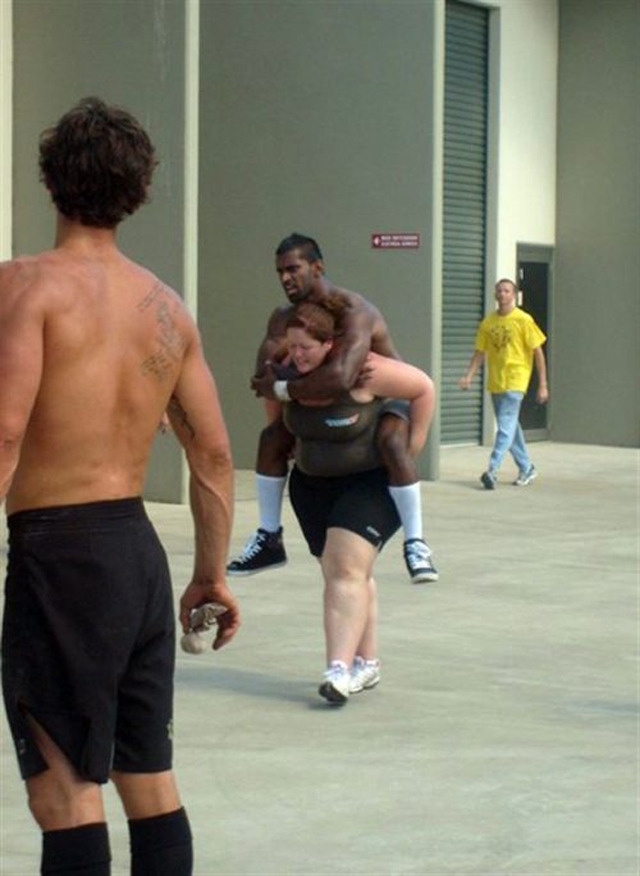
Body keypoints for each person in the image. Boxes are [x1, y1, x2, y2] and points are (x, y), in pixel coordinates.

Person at [0, 98, 240, 876]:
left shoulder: (24, 287)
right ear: (136, 192)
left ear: (50, 179)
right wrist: (211, 574)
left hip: (60, 559)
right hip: (138, 561)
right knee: (150, 783)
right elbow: (213, 454)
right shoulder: (165, 308)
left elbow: (4, 432)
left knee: (64, 794)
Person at [226, 233, 438, 584]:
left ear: (317, 267)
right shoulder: (283, 318)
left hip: (384, 396)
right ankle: (269, 537)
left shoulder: (354, 311)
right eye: (279, 271)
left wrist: (286, 381)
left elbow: (341, 377)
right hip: (326, 406)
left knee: (391, 441)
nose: (285, 278)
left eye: (293, 269)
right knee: (273, 437)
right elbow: (263, 376)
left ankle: (416, 542)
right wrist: (286, 404)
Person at [277, 299, 435, 703]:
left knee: (346, 570)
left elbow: (423, 388)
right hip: (312, 486)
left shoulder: (364, 371)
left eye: (305, 348)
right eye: (291, 347)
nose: (297, 355)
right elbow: (273, 410)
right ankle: (367, 663)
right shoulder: (286, 373)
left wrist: (411, 450)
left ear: (329, 345)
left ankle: (338, 670)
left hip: (370, 484)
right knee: (346, 575)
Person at [458, 278, 549, 489]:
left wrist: (543, 384)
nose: (502, 294)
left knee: (505, 427)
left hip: (516, 379)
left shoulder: (523, 320)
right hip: (496, 381)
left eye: (507, 291)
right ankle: (527, 467)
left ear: (514, 295)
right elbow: (480, 352)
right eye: (499, 291)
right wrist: (469, 376)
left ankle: (492, 470)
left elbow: (537, 352)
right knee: (510, 427)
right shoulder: (488, 323)